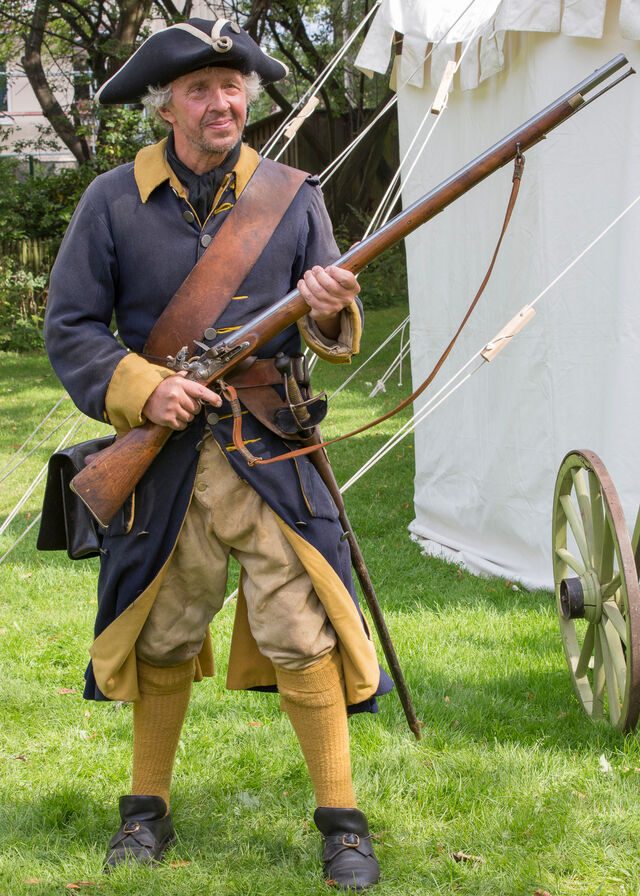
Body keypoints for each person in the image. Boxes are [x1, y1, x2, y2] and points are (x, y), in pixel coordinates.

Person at [44, 17, 391, 892]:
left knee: (303, 628)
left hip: (269, 447)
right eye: (199, 89)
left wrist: (328, 306)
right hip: (163, 459)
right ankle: (145, 811)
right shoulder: (111, 201)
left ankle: (342, 823)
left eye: (232, 86)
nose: (221, 103)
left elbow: (331, 322)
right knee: (162, 632)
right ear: (165, 105)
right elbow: (72, 327)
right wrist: (143, 389)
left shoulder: (293, 195)